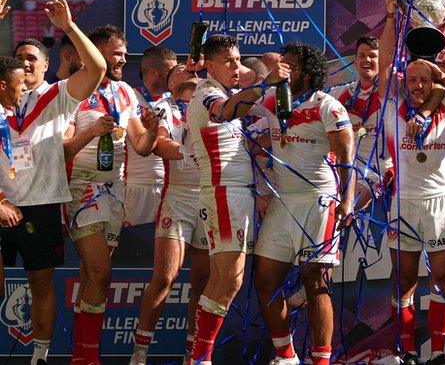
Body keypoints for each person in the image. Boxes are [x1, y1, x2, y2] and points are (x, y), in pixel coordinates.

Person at [2, 0, 106, 365]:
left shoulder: (55, 96)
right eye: (21, 56)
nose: (26, 61)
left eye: (34, 57)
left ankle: (40, 356)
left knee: (41, 284)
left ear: (47, 66)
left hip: (40, 207)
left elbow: (96, 68)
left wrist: (69, 27)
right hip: (0, 203)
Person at [375, 0, 445, 364]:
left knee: (444, 281)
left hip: (439, 202)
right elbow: (385, 62)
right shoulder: (391, 106)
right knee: (404, 282)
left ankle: (437, 353)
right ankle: (408, 351)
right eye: (411, 80)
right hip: (403, 202)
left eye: (423, 80)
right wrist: (389, 19)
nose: (416, 86)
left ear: (434, 82)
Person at [252, 43, 355, 365]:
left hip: (318, 201)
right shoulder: (270, 98)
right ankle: (286, 356)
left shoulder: (328, 106)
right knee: (265, 281)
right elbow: (235, 112)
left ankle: (321, 359)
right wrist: (264, 83)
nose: (284, 71)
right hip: (283, 202)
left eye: (290, 66)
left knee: (314, 281)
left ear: (308, 72)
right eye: (281, 64)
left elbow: (347, 160)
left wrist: (347, 201)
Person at [61, 25, 160, 363]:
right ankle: (89, 358)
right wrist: (91, 130)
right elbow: (62, 152)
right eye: (116, 53)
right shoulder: (73, 91)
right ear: (97, 53)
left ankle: (82, 355)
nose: (122, 59)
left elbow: (142, 147)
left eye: (123, 53)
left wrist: (152, 130)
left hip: (115, 189)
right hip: (81, 187)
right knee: (101, 272)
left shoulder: (126, 93)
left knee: (94, 277)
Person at [186, 34, 287, 364]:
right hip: (223, 192)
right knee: (229, 279)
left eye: (239, 59)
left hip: (237, 194)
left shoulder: (228, 93)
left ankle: (199, 357)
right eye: (229, 61)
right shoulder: (207, 94)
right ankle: (201, 357)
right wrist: (263, 84)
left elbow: (259, 108)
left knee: (224, 279)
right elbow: (223, 112)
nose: (236, 66)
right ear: (211, 66)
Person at [129, 74, 209, 365]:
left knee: (202, 281)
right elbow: (159, 145)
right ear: (173, 87)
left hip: (212, 198)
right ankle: (140, 352)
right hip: (178, 197)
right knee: (164, 277)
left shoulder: (218, 109)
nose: (194, 84)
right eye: (186, 82)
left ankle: (193, 352)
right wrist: (194, 152)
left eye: (199, 83)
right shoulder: (168, 110)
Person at [125, 47, 178, 227]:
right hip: (135, 187)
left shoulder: (174, 101)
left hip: (169, 187)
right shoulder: (129, 98)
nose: (175, 77)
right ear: (154, 73)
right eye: (170, 72)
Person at [331, 36, 386, 189]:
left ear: (381, 61)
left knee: (353, 205)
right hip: (348, 168)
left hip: (380, 170)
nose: (366, 59)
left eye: (373, 56)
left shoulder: (391, 92)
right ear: (355, 61)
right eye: (362, 55)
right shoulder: (340, 93)